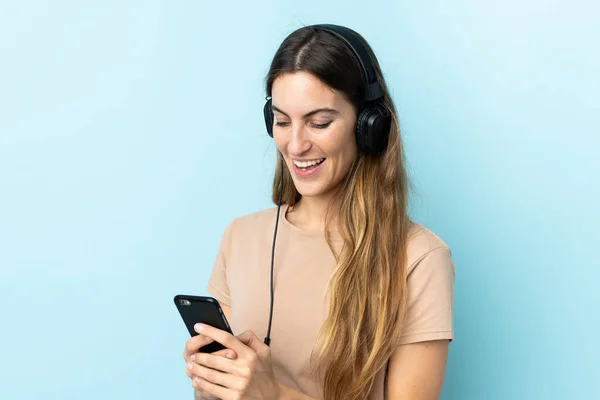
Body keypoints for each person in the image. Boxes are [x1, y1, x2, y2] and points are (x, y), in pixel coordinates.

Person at [183, 23, 455, 400]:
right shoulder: (240, 237)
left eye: (319, 122)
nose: (296, 145)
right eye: (281, 121)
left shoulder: (419, 258)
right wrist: (213, 380)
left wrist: (273, 395)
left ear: (368, 126)